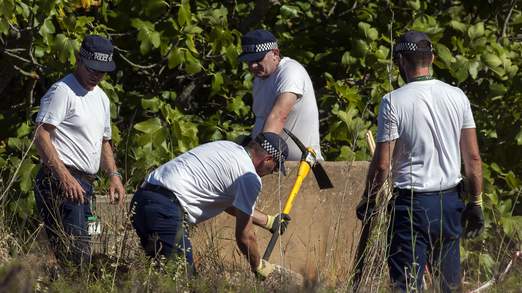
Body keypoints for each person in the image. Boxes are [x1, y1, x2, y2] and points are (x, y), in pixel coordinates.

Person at [356, 31, 484, 292]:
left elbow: (382, 165)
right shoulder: (457, 96)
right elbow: (472, 158)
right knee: (447, 285)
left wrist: (369, 199)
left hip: (411, 206)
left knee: (406, 284)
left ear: (401, 61)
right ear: (433, 58)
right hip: (450, 202)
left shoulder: (392, 102)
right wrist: (476, 202)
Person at [130, 132, 291, 277]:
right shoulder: (249, 177)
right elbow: (245, 236)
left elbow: (224, 200)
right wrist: (258, 265)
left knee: (160, 279)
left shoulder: (227, 147)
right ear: (268, 159)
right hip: (165, 212)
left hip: (142, 200)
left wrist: (268, 221)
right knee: (185, 282)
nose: (272, 172)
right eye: (275, 168)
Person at [34, 35, 125, 266]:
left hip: (86, 185)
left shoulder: (102, 98)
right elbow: (41, 134)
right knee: (76, 255)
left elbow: (104, 141)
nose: (97, 75)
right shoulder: (63, 91)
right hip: (62, 182)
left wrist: (113, 176)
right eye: (92, 68)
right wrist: (64, 177)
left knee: (87, 251)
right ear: (79, 60)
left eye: (102, 71)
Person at [238, 29, 322, 161]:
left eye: (257, 59)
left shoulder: (291, 72)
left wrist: (255, 157)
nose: (253, 66)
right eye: (249, 61)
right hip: (270, 164)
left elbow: (279, 116)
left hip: (300, 166)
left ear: (275, 54)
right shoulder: (259, 79)